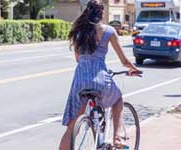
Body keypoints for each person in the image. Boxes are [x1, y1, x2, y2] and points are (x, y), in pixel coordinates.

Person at [59, 0, 142, 150]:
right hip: (100, 79)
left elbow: (78, 59)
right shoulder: (109, 31)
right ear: (102, 13)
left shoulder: (79, 32)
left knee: (72, 126)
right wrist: (133, 68)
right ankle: (116, 138)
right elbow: (124, 61)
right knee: (117, 99)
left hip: (80, 81)